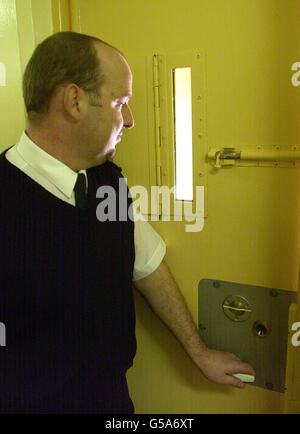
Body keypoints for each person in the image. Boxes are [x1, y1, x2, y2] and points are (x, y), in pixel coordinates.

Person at [0, 31, 255, 413]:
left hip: (111, 401)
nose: (130, 120)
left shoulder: (107, 181)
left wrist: (199, 353)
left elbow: (147, 266)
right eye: (121, 103)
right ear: (74, 101)